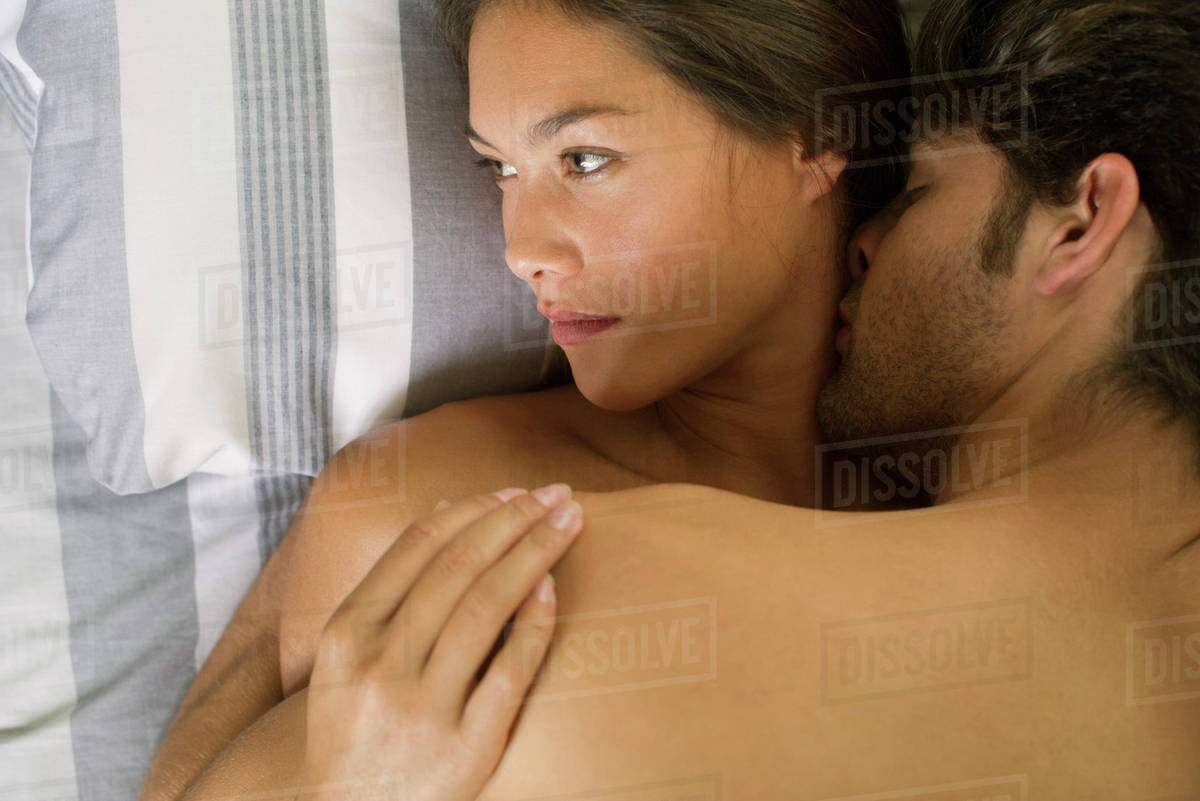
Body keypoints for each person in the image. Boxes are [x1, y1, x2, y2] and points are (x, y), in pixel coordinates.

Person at [155, 0, 1200, 797]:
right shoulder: (448, 523)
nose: (519, 249)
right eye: (500, 171)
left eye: (587, 158)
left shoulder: (565, 596)